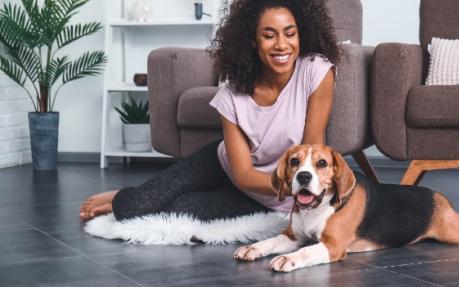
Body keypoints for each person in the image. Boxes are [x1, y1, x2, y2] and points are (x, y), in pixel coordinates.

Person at [79, 0, 339, 221]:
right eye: (269, 35)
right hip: (228, 166)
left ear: (300, 34)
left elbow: (312, 154)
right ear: (253, 41)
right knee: (132, 208)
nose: (282, 45)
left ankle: (151, 195)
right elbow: (244, 174)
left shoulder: (316, 72)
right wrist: (293, 187)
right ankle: (124, 195)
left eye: (290, 33)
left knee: (177, 211)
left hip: (276, 194)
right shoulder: (232, 93)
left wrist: (296, 189)